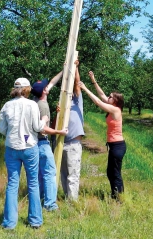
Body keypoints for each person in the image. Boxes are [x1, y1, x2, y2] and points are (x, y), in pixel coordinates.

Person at [0, 78, 49, 230]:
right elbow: (38, 127)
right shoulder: (32, 105)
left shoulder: (6, 106)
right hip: (29, 147)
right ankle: (35, 221)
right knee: (33, 183)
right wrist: (44, 120)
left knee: (12, 183)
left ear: (14, 89)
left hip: (12, 148)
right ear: (27, 89)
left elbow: (2, 129)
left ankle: (9, 223)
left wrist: (13, 134)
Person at [79, 71, 126, 200]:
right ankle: (116, 195)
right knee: (111, 172)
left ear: (115, 101)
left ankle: (118, 198)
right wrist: (93, 79)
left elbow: (99, 102)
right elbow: (101, 95)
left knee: (114, 173)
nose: (108, 97)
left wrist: (85, 88)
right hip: (114, 145)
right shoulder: (113, 106)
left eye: (111, 97)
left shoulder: (115, 110)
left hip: (117, 146)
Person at [30, 70, 68, 211]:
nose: (48, 86)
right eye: (46, 86)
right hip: (42, 143)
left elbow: (51, 82)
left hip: (33, 144)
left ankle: (40, 199)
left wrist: (63, 71)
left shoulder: (34, 102)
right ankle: (50, 204)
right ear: (44, 91)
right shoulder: (43, 106)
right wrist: (59, 132)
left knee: (39, 173)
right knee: (49, 173)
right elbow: (42, 129)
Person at [60, 60, 85, 201]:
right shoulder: (62, 105)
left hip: (73, 144)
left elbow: (77, 84)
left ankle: (72, 202)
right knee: (63, 173)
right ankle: (66, 198)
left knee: (73, 174)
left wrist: (75, 68)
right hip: (61, 142)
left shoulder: (77, 101)